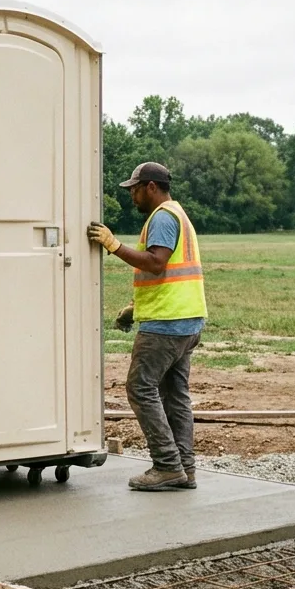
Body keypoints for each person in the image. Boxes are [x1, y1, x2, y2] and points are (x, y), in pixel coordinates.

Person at [87, 162, 207, 492]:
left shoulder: (163, 218)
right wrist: (136, 307)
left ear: (151, 187)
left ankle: (167, 466)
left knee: (140, 388)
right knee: (174, 395)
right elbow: (168, 275)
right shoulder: (178, 213)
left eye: (135, 189)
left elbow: (156, 263)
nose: (132, 196)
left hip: (166, 325)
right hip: (187, 319)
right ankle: (185, 468)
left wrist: (113, 245)